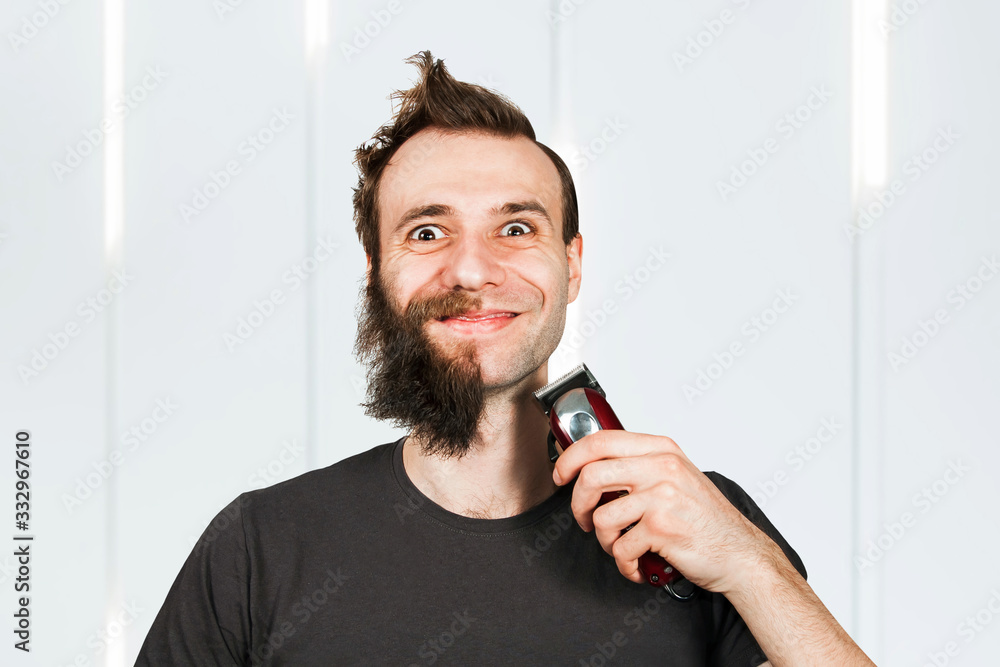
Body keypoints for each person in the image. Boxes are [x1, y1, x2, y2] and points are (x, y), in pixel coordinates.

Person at [135, 51, 873, 666]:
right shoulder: (262, 547)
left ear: (572, 264)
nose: (472, 270)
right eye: (427, 233)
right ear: (375, 270)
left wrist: (749, 563)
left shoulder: (700, 523)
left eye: (516, 227)